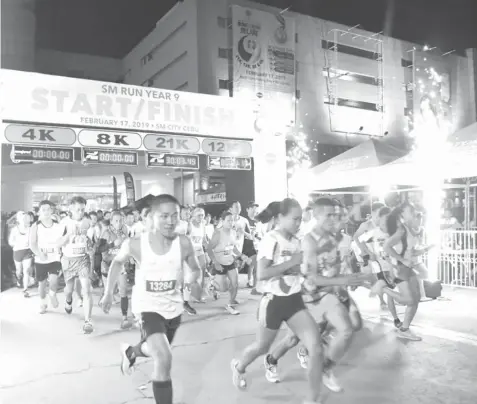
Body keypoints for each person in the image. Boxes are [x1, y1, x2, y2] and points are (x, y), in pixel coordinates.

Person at [101, 194, 201, 404]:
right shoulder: (136, 244)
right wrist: (109, 292)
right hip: (147, 307)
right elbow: (117, 263)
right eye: (164, 216)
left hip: (173, 307)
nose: (170, 221)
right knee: (164, 358)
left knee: (154, 350)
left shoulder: (183, 243)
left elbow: (195, 268)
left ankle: (131, 352)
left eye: (175, 215)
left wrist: (193, 281)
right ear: (151, 217)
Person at [263, 198, 367, 393]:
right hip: (309, 299)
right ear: (317, 216)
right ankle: (271, 359)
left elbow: (335, 268)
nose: (334, 219)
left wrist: (352, 278)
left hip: (330, 295)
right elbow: (313, 279)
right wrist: (343, 281)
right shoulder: (309, 242)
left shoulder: (336, 239)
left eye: (336, 215)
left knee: (348, 328)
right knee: (292, 339)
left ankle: (325, 367)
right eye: (329, 215)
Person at [231, 198, 325, 404]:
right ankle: (239, 367)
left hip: (294, 301)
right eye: (294, 219)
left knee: (315, 346)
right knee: (261, 346)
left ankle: (312, 397)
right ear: (280, 218)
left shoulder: (297, 240)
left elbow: (298, 269)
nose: (298, 224)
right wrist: (292, 263)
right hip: (273, 302)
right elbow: (262, 273)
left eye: (300, 219)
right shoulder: (271, 239)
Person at [372, 201, 431, 341]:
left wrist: (426, 249)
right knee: (409, 300)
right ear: (403, 213)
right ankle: (384, 289)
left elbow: (410, 250)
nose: (414, 214)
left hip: (407, 267)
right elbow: (386, 247)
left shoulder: (407, 229)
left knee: (416, 299)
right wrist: (402, 260)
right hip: (399, 267)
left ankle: (404, 329)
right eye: (411, 211)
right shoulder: (401, 230)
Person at [58, 196, 95, 334]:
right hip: (68, 259)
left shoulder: (88, 223)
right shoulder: (64, 223)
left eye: (82, 209)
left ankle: (88, 321)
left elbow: (92, 244)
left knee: (87, 289)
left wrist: (91, 247)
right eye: (77, 209)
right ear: (71, 209)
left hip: (83, 260)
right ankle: (68, 301)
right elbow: (58, 243)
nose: (80, 212)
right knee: (69, 289)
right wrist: (68, 236)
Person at [207, 211, 247, 315]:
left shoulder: (233, 232)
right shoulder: (218, 233)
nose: (231, 222)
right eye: (228, 220)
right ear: (222, 221)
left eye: (232, 220)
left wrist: (241, 256)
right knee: (223, 288)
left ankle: (230, 304)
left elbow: (233, 248)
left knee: (235, 283)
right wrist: (215, 263)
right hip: (219, 262)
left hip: (230, 261)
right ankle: (213, 285)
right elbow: (209, 249)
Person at [97, 211, 131, 329]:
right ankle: (105, 297)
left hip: (121, 265)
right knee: (110, 290)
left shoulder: (126, 231)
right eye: (116, 221)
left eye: (121, 220)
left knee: (123, 291)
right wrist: (112, 244)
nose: (119, 223)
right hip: (107, 265)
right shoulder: (105, 233)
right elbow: (99, 249)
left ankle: (125, 317)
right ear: (111, 221)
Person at [29, 200, 64, 314]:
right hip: (41, 258)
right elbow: (32, 244)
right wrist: (39, 254)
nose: (46, 211)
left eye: (48, 209)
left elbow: (62, 239)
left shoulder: (58, 224)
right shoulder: (35, 226)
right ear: (39, 211)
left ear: (51, 210)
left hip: (54, 257)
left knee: (54, 281)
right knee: (42, 283)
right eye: (43, 209)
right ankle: (43, 303)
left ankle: (52, 294)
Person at [353, 202, 387, 309]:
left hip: (377, 252)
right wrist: (366, 252)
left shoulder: (383, 224)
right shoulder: (366, 225)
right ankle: (382, 300)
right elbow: (356, 238)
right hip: (364, 251)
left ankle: (380, 295)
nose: (380, 215)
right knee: (374, 277)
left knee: (380, 275)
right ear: (373, 212)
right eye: (378, 212)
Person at [9, 211, 34, 297]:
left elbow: (32, 241)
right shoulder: (15, 230)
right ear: (19, 220)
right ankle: (19, 278)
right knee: (19, 271)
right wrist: (17, 243)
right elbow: (10, 242)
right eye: (22, 218)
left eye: (25, 218)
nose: (24, 220)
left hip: (27, 252)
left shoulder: (30, 229)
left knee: (26, 271)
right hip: (17, 252)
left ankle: (25, 289)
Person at [188, 207, 208, 303]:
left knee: (203, 268)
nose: (201, 217)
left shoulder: (203, 225)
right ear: (194, 216)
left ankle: (200, 292)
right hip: (191, 252)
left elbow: (204, 240)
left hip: (200, 250)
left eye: (202, 215)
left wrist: (209, 250)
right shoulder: (190, 225)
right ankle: (194, 293)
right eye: (199, 215)